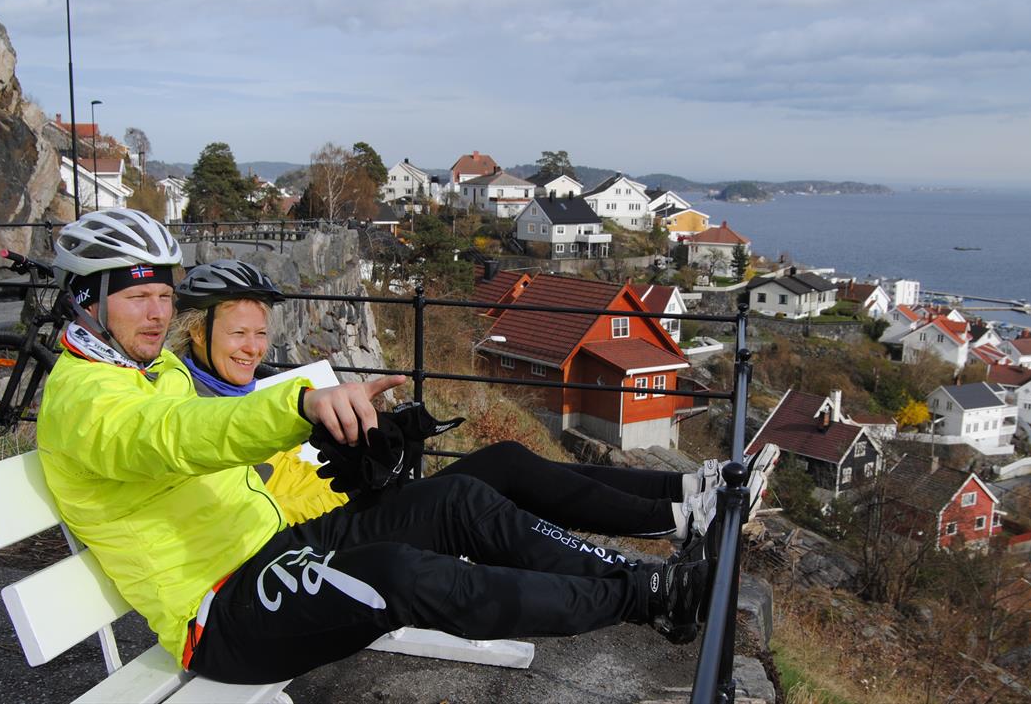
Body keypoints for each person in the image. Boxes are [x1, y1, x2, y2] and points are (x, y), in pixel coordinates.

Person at [37, 208, 714, 687]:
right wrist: (298, 404)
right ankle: (641, 597)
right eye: (137, 297)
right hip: (220, 614)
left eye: (162, 295)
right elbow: (173, 436)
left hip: (277, 544)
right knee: (395, 573)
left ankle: (650, 580)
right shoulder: (83, 403)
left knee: (458, 498)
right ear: (89, 299)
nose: (157, 313)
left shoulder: (140, 372)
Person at [167, 258, 721, 540]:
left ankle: (685, 492)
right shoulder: (201, 422)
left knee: (506, 458)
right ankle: (676, 520)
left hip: (362, 511)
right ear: (196, 331)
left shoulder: (268, 389)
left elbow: (312, 468)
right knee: (490, 483)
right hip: (332, 538)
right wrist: (359, 475)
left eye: (260, 334)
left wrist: (377, 446)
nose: (254, 348)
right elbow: (264, 511)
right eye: (239, 335)